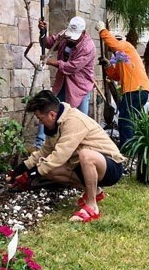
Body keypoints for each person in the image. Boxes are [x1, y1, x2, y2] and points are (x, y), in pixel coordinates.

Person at [8, 90, 125, 223]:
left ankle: (92, 206)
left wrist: (30, 176)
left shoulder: (73, 121)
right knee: (50, 170)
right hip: (84, 168)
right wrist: (18, 171)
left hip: (110, 166)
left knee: (86, 155)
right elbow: (43, 153)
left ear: (52, 115)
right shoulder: (57, 124)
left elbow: (59, 155)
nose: (40, 122)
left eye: (40, 118)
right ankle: (95, 191)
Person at [34, 16, 95, 148]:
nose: (71, 38)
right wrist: (42, 32)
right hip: (62, 83)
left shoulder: (88, 47)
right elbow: (48, 43)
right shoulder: (64, 35)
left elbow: (72, 67)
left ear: (83, 33)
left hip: (80, 87)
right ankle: (40, 145)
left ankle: (78, 150)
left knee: (79, 121)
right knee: (47, 107)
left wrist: (51, 62)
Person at [96, 21, 149, 149]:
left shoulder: (126, 46)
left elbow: (115, 45)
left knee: (125, 120)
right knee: (127, 119)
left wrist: (102, 31)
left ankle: (128, 148)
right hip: (137, 91)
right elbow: (116, 76)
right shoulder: (121, 58)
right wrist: (108, 66)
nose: (113, 49)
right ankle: (130, 147)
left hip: (135, 90)